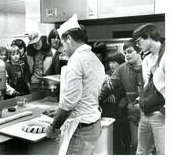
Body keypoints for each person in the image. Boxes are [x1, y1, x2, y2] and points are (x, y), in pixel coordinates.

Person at [46, 14, 105, 155]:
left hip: (80, 128)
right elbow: (86, 94)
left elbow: (69, 102)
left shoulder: (76, 60)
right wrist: (60, 111)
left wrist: (54, 127)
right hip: (93, 124)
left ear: (69, 39)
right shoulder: (94, 58)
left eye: (63, 44)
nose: (63, 49)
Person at [98, 40, 142, 154]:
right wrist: (95, 101)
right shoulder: (122, 69)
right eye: (125, 52)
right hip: (134, 114)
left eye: (130, 51)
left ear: (139, 51)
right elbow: (108, 87)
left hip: (153, 113)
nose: (127, 54)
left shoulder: (150, 65)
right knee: (135, 144)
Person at [132, 23, 165, 155]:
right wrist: (141, 98)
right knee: (141, 152)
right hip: (145, 112)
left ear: (149, 37)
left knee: (163, 152)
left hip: (160, 114)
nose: (137, 45)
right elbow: (147, 85)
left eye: (139, 41)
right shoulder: (147, 58)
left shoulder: (166, 55)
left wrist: (165, 110)